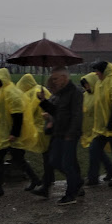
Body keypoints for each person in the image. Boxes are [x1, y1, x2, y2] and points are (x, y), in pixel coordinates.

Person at [32, 67, 84, 204]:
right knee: (54, 160)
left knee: (67, 164)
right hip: (58, 132)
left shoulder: (75, 93)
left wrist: (71, 133)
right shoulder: (60, 93)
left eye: (55, 78)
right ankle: (77, 181)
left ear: (64, 78)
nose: (53, 81)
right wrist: (43, 101)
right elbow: (56, 112)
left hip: (69, 133)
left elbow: (77, 115)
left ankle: (71, 194)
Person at [0, 68, 39, 198]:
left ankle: (0, 187)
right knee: (9, 158)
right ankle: (34, 179)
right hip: (4, 134)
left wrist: (14, 133)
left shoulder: (11, 92)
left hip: (12, 134)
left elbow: (18, 115)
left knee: (15, 158)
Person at [16, 73, 52, 187]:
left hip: (40, 127)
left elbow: (29, 111)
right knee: (48, 154)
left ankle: (46, 180)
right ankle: (48, 179)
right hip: (47, 124)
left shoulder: (32, 93)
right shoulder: (41, 89)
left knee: (47, 154)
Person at [79, 72, 112, 182]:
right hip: (88, 129)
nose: (86, 87)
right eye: (84, 85)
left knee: (94, 151)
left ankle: (93, 177)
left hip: (99, 129)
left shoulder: (99, 95)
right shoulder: (85, 95)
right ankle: (110, 170)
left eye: (88, 84)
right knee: (98, 152)